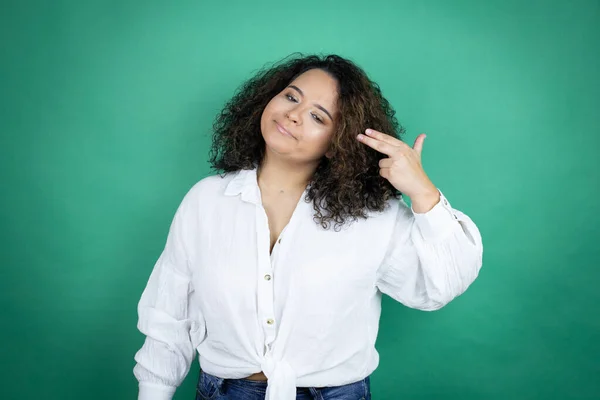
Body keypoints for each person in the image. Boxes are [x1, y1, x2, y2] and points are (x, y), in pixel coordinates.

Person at [133, 53, 483, 400]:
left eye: (318, 116)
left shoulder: (373, 216)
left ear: (338, 143)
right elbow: (170, 316)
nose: (293, 115)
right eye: (290, 96)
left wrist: (422, 192)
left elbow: (440, 286)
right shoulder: (205, 201)